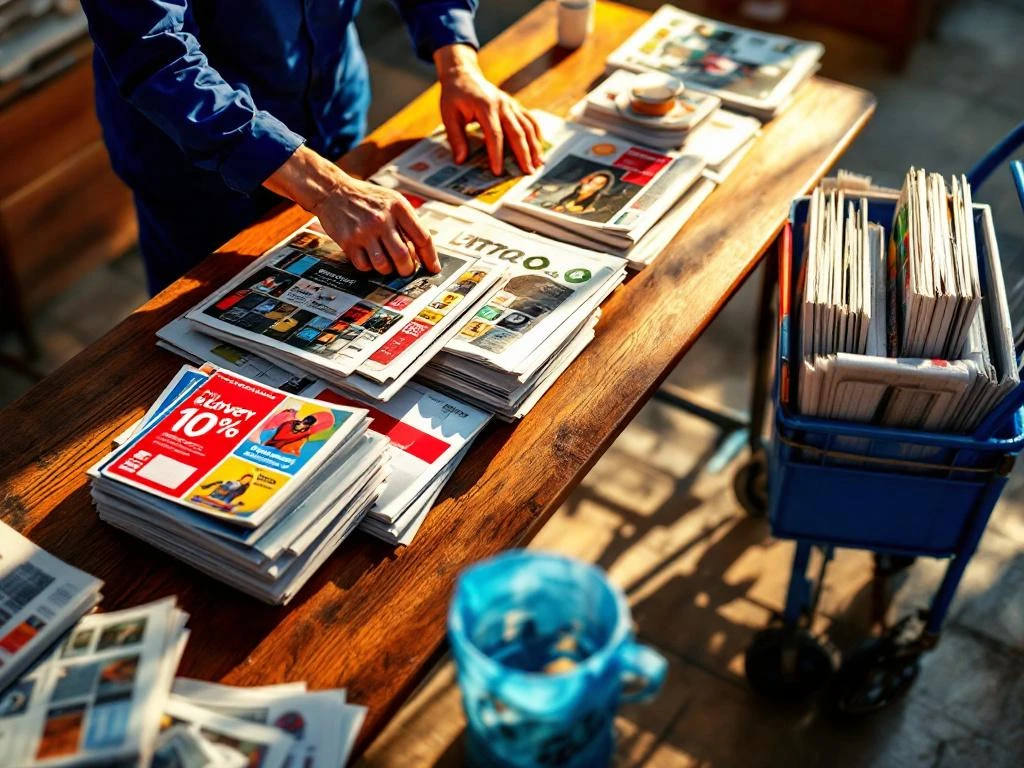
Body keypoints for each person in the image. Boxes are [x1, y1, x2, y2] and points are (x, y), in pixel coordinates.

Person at [80, 1, 544, 294]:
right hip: (200, 168)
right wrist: (327, 189)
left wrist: (457, 60)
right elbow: (157, 55)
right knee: (196, 341)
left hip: (333, 109)